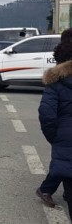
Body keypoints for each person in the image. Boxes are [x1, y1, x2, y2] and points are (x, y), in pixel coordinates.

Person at [36, 28, 72, 211]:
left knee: (63, 163)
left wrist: (55, 136)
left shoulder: (56, 81)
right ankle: (46, 189)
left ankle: (46, 189)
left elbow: (47, 114)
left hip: (64, 134)